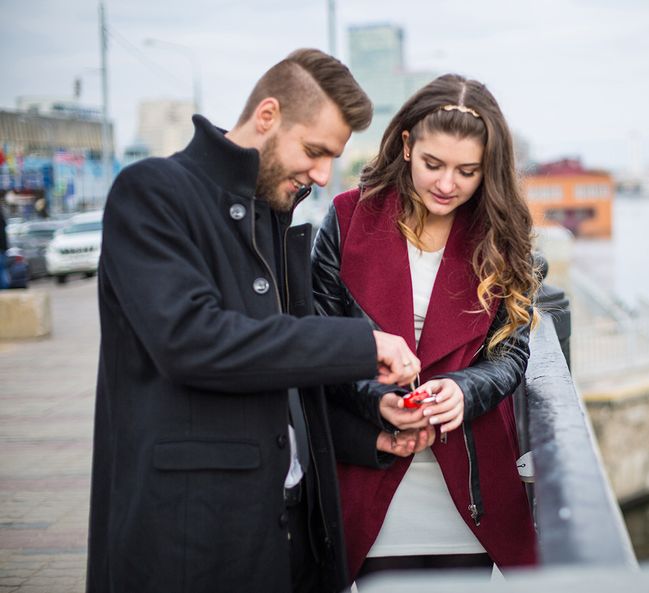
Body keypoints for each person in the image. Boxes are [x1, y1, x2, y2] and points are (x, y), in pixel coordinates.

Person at [86, 49, 421, 593]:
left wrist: (368, 438)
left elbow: (282, 383)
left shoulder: (276, 217)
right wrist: (362, 342)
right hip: (194, 545)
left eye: (332, 157)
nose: (323, 173)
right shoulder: (151, 193)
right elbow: (193, 342)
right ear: (267, 117)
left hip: (298, 540)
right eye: (314, 151)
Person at [312, 73, 539, 583]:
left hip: (470, 481)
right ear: (407, 145)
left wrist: (463, 389)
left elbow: (511, 356)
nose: (445, 185)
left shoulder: (502, 236)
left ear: (489, 169)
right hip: (370, 464)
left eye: (467, 171)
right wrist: (376, 400)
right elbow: (319, 342)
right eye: (433, 164)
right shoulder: (348, 219)